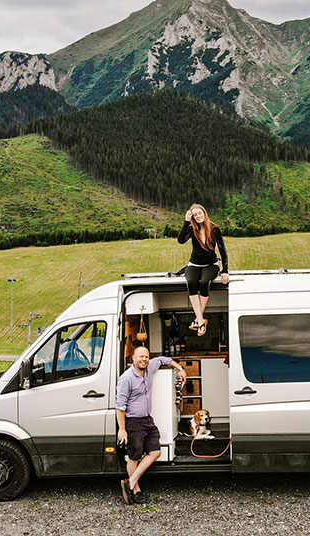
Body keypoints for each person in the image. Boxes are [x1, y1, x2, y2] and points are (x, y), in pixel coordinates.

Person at [116, 346, 188, 504]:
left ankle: (130, 481)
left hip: (147, 420)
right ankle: (136, 490)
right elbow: (120, 407)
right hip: (133, 422)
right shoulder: (126, 378)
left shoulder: (151, 367)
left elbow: (165, 360)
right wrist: (122, 429)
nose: (144, 359)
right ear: (133, 359)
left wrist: (180, 369)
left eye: (146, 357)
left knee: (155, 452)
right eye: (140, 357)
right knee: (134, 457)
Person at [177, 204, 229, 336]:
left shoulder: (214, 228)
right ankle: (200, 320)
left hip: (211, 264)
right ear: (192, 217)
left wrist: (225, 271)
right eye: (195, 215)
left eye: (199, 213)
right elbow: (181, 240)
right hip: (194, 264)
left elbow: (222, 250)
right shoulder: (191, 229)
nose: (198, 216)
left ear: (204, 213)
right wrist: (186, 221)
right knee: (191, 282)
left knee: (205, 282)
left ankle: (198, 320)